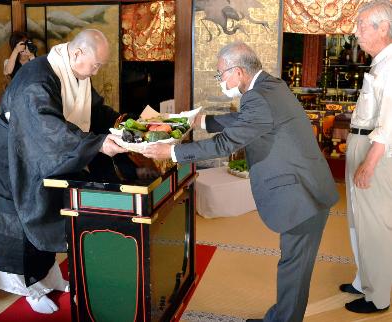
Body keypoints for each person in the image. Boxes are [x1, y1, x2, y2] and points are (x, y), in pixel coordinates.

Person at [142, 41, 339, 322]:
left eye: (221, 74)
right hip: (308, 186)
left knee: (293, 270)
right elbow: (246, 120)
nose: (221, 80)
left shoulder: (257, 96)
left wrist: (172, 151)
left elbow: (227, 144)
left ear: (238, 72)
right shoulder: (271, 85)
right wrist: (204, 122)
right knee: (292, 267)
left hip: (301, 196)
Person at [0, 29, 127, 314]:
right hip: (9, 159)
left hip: (34, 155)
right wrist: (99, 144)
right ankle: (29, 288)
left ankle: (48, 275)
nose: (96, 71)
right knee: (18, 224)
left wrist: (121, 123)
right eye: (96, 64)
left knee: (46, 213)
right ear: (77, 53)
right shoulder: (36, 79)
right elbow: (48, 130)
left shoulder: (73, 72)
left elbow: (95, 110)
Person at [339, 0, 392, 314]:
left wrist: (370, 162)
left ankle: (379, 296)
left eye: (361, 25)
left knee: (374, 224)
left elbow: (390, 123)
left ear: (383, 28)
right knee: (358, 220)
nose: (355, 31)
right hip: (361, 142)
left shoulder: (391, 65)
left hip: (375, 151)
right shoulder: (380, 62)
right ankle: (364, 279)